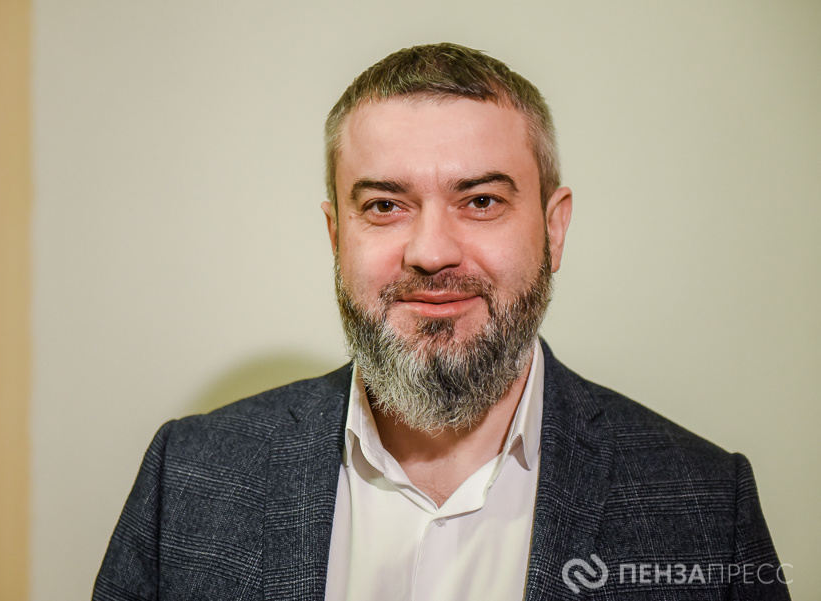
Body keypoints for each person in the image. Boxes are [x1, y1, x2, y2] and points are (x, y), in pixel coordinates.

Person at [93, 43, 788, 600]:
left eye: (481, 201)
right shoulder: (188, 477)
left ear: (554, 229)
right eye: (384, 206)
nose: (430, 252)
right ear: (336, 236)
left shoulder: (705, 505)